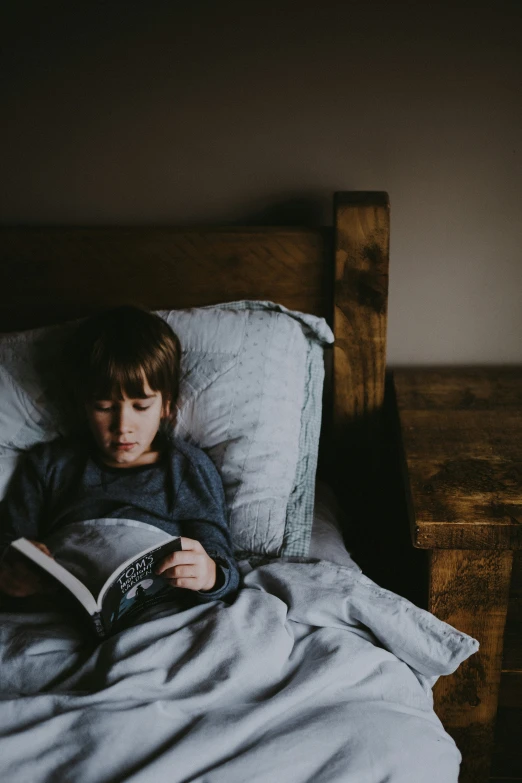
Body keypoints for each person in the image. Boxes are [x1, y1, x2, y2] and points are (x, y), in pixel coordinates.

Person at [0, 305, 240, 605]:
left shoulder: (185, 468)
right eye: (104, 407)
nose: (123, 426)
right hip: (63, 606)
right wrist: (12, 573)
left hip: (156, 606)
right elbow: (10, 544)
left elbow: (221, 559)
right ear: (82, 406)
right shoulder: (48, 465)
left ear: (167, 406)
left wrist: (209, 576)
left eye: (141, 406)